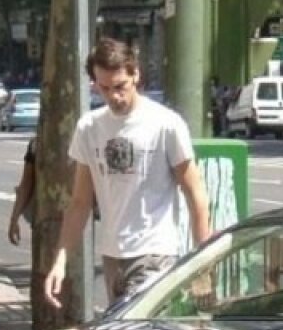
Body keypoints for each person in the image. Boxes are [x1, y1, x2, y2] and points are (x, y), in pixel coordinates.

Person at [43, 38, 211, 313]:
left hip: (155, 253)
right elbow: (80, 202)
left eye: (120, 86)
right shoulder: (89, 127)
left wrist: (202, 266)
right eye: (104, 88)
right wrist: (60, 260)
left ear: (136, 75)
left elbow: (196, 195)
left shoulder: (165, 124)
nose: (113, 96)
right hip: (112, 255)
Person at [6, 137, 35, 246]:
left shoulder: (36, 144)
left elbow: (26, 184)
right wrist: (14, 220)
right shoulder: (35, 145)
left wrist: (14, 220)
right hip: (43, 220)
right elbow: (26, 184)